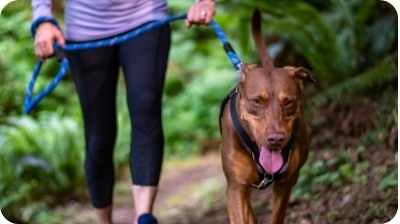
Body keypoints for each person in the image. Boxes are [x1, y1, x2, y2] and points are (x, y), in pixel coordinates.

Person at [31, 0, 216, 224]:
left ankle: (143, 216)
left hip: (146, 17)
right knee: (100, 133)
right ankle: (104, 221)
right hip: (86, 27)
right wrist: (42, 18)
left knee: (146, 107)